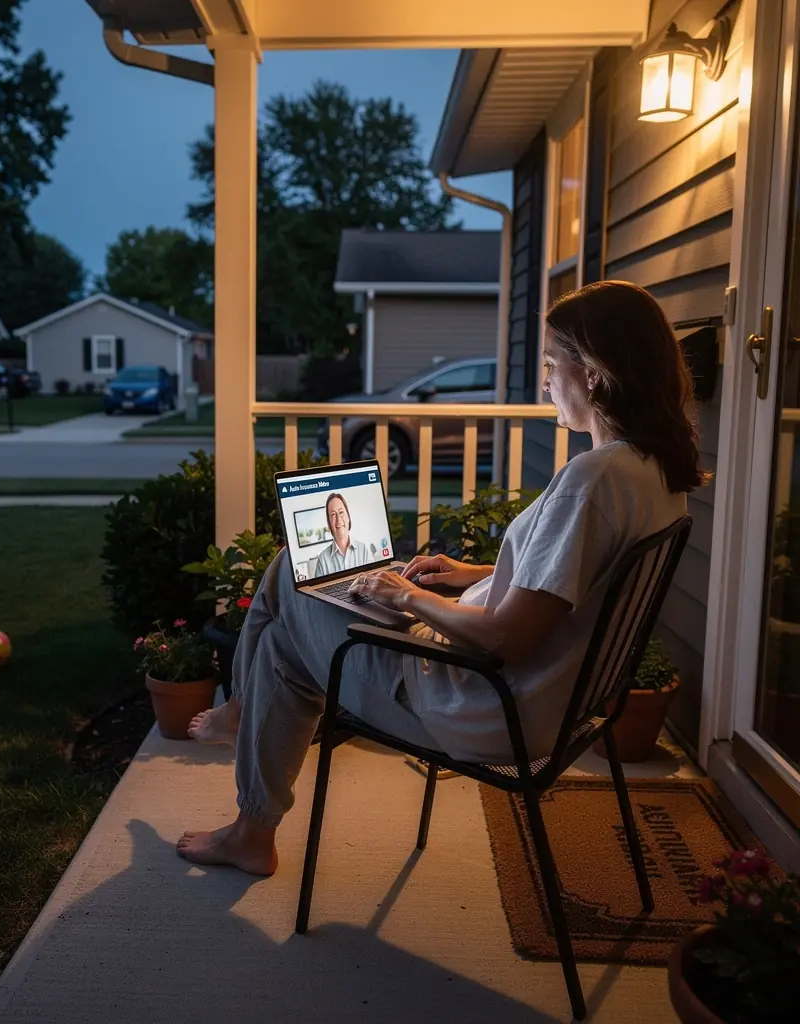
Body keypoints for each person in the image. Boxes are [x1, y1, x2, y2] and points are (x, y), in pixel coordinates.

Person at [180, 281, 708, 877]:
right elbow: (575, 583)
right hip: (545, 704)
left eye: (551, 364)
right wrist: (472, 574)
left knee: (288, 574)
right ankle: (249, 786)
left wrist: (408, 595)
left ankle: (243, 726)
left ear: (596, 373)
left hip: (475, 700)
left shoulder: (593, 482)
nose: (543, 381)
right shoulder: (651, 476)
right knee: (286, 640)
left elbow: (508, 638)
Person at [312, 492, 379, 577]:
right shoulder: (322, 559)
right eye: (333, 515)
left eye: (341, 512)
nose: (338, 519)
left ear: (348, 517)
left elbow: (373, 583)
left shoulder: (364, 550)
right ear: (329, 524)